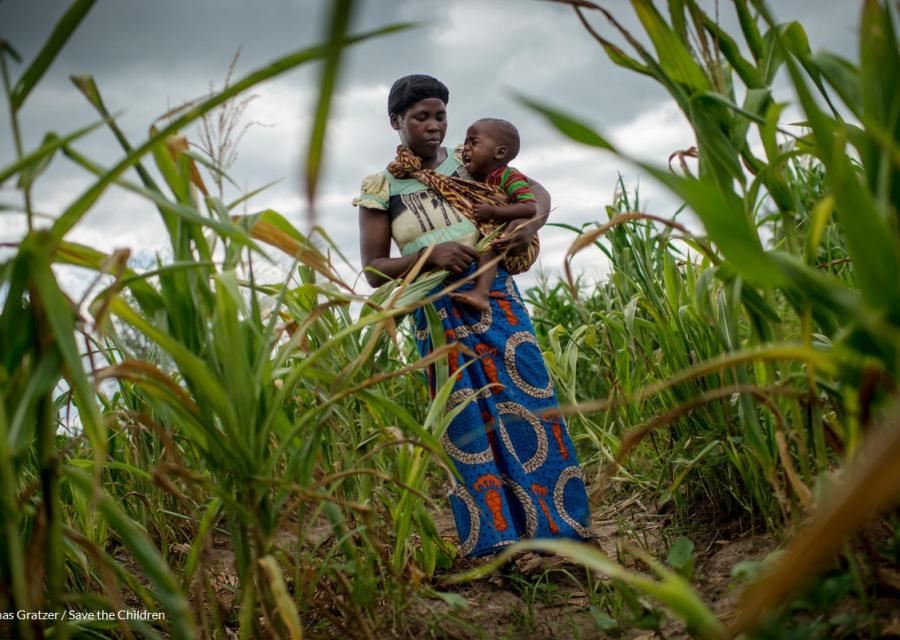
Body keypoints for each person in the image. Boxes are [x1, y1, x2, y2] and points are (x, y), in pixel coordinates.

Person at [355, 74, 592, 557]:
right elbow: (375, 270)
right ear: (395, 121)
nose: (434, 126)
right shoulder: (382, 186)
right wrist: (432, 256)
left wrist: (531, 228)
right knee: (466, 423)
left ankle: (563, 536)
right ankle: (495, 547)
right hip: (436, 313)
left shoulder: (474, 163)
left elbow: (536, 197)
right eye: (420, 117)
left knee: (528, 404)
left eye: (440, 115)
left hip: (497, 298)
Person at [452, 117, 537, 312]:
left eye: (473, 142)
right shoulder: (481, 178)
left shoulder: (509, 176)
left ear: (499, 152)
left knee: (488, 247)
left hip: (512, 236)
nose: (465, 148)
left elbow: (529, 207)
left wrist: (493, 211)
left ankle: (481, 293)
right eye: (465, 143)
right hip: (497, 229)